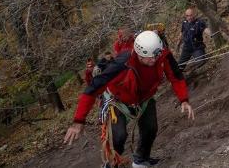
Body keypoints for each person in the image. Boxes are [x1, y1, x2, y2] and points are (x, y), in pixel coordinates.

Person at [64, 31, 194, 168]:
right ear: (139, 54)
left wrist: (184, 99)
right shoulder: (122, 64)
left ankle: (141, 159)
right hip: (118, 100)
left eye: (156, 55)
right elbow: (92, 89)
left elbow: (176, 76)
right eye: (149, 57)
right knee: (118, 136)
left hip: (144, 98)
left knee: (150, 128)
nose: (154, 60)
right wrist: (78, 121)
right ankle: (112, 164)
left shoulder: (162, 55)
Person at [177, 7, 207, 72]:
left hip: (197, 47)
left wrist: (211, 34)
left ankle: (193, 70)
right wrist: (178, 44)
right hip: (186, 48)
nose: (189, 17)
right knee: (179, 67)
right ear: (185, 16)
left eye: (191, 15)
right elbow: (181, 33)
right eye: (187, 16)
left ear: (194, 14)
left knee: (201, 61)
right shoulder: (184, 23)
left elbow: (205, 29)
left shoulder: (199, 22)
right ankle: (185, 73)